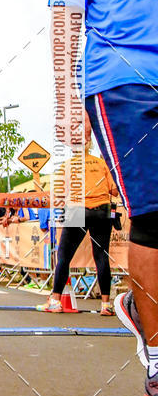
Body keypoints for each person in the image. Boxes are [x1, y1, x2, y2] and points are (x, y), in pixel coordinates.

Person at [51, 0, 158, 396]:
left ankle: (138, 305)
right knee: (153, 214)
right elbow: (67, 14)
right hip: (122, 81)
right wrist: (69, 123)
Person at [38, 115, 119, 314]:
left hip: (77, 210)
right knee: (101, 256)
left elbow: (60, 195)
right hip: (102, 210)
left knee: (64, 256)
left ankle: (55, 300)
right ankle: (106, 305)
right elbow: (114, 191)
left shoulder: (67, 167)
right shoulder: (101, 164)